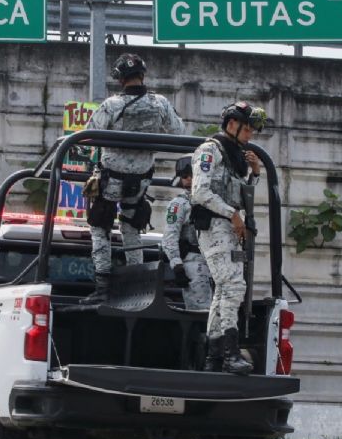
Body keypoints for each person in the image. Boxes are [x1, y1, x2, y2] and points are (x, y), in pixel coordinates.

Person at [80, 53, 185, 305]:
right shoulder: (160, 103)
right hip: (141, 181)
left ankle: (102, 289)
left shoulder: (112, 105)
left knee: (100, 227)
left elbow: (87, 135)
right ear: (143, 74)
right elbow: (179, 133)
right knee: (131, 227)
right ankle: (137, 287)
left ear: (119, 78)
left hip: (111, 181)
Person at [190, 101, 266, 374]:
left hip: (230, 228)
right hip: (214, 226)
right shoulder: (209, 151)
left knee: (223, 291)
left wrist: (255, 173)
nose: (250, 136)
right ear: (231, 124)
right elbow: (199, 192)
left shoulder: (235, 155)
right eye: (247, 129)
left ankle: (214, 358)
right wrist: (232, 214)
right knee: (234, 286)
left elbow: (241, 195)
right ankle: (231, 353)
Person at [162, 155, 212, 311]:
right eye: (185, 176)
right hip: (194, 263)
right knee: (200, 313)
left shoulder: (213, 201)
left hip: (216, 263)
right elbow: (170, 237)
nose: (189, 179)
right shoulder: (179, 204)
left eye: (192, 175)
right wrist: (177, 267)